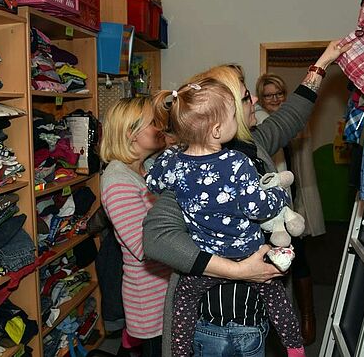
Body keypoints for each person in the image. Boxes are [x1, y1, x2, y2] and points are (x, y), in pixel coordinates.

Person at [142, 40, 350, 357]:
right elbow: (157, 238)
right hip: (221, 324)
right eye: (243, 96)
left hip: (253, 315)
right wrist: (240, 271)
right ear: (224, 114)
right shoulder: (195, 166)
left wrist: (323, 62)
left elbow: (290, 116)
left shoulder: (252, 143)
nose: (253, 100)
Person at [145, 78, 303, 357]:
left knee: (184, 302)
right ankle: (294, 348)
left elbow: (153, 184)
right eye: (233, 115)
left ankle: (180, 352)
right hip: (245, 253)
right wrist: (279, 195)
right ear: (217, 130)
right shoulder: (235, 163)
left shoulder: (172, 161)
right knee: (275, 293)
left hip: (206, 260)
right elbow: (258, 208)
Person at [255, 73, 326, 344]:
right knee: (283, 257)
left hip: (295, 193)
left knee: (300, 258)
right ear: (260, 99)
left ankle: (308, 315)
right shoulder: (262, 125)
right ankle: (287, 320)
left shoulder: (293, 120)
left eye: (278, 94)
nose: (274, 99)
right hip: (277, 203)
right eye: (268, 95)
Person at [99, 97, 172, 357]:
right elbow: (145, 247)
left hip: (164, 287)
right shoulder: (117, 181)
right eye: (154, 123)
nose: (160, 127)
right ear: (131, 133)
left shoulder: (146, 168)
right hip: (150, 296)